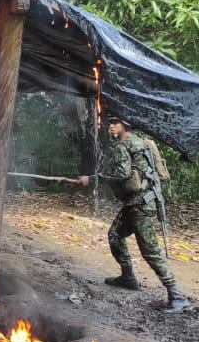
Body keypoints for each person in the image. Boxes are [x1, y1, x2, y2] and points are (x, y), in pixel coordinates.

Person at [77, 116, 189, 313]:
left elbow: (121, 173)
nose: (110, 126)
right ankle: (128, 277)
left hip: (140, 206)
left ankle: (177, 295)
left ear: (125, 125)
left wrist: (93, 179)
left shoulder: (123, 145)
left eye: (115, 122)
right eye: (109, 122)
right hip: (140, 203)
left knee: (150, 251)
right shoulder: (140, 143)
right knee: (115, 235)